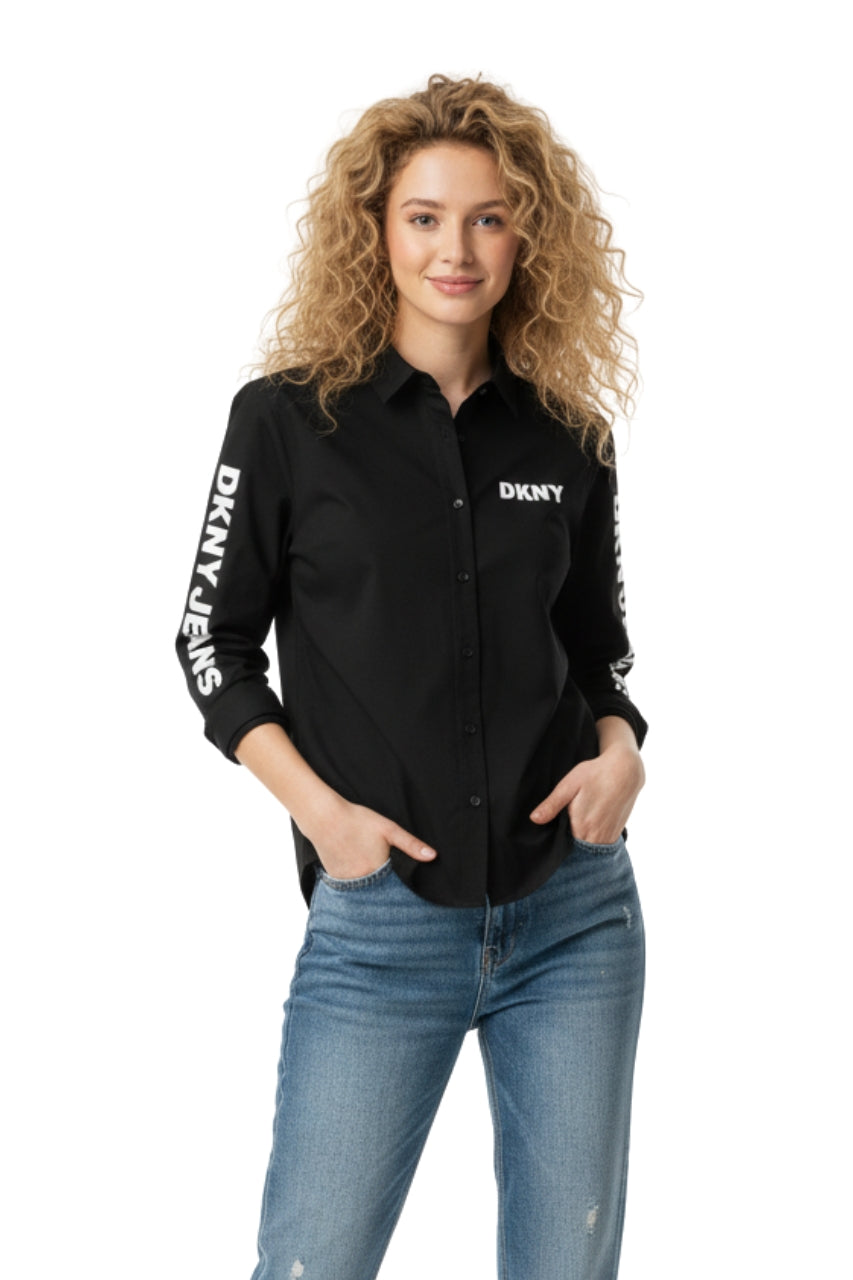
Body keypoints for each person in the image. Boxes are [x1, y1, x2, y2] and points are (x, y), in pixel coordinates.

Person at [176, 73, 648, 1280]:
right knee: (313, 1261)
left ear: (526, 236)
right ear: (375, 231)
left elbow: (598, 648)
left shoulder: (568, 436)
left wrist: (622, 750)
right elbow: (209, 644)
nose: (457, 249)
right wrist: (323, 817)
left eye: (489, 217)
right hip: (380, 920)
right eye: (425, 216)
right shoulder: (286, 422)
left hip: (574, 913)